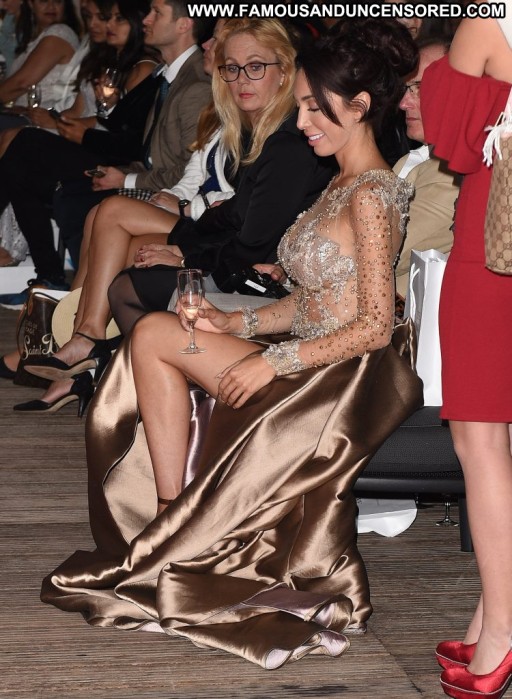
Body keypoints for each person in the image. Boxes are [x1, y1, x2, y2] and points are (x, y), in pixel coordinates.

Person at [40, 19, 423, 668]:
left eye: (315, 108)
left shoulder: (371, 193)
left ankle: (176, 529)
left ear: (360, 106)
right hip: (309, 348)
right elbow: (314, 299)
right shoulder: (339, 181)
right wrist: (236, 325)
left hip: (336, 376)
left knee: (155, 334)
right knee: (156, 333)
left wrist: (273, 359)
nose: (302, 121)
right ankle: (173, 520)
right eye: (300, 106)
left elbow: (374, 324)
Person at [24, 18, 335, 385]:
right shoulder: (256, 129)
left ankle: (103, 361)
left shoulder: (290, 140)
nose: (241, 80)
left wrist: (187, 253)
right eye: (232, 68)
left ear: (284, 72)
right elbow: (233, 213)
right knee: (112, 223)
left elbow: (252, 237)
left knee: (127, 259)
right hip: (241, 248)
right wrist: (186, 243)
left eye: (255, 67)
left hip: (268, 273)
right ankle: (87, 344)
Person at [419, 7, 512, 699]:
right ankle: (492, 612)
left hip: (497, 240)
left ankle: (504, 630)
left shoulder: (489, 22)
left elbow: (450, 140)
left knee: (481, 438)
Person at [393, 36, 460, 300]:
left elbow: (379, 256)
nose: (404, 103)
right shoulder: (414, 159)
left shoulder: (451, 173)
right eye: (405, 88)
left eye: (420, 87)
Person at [0, 0, 81, 128]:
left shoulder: (60, 32)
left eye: (58, 1)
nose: (51, 6)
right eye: (43, 1)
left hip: (44, 119)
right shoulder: (33, 37)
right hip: (22, 115)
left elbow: (22, 83)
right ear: (31, 4)